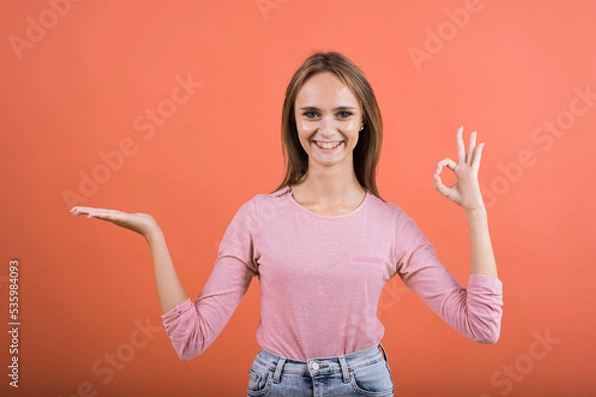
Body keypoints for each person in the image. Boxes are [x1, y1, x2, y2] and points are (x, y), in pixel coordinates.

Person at [70, 51, 503, 397]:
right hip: (277, 385)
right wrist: (153, 234)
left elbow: (482, 326)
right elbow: (191, 340)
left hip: (364, 385)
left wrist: (476, 213)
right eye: (311, 114)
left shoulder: (392, 225)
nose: (327, 128)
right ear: (294, 122)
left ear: (363, 121)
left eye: (343, 114)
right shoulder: (258, 216)